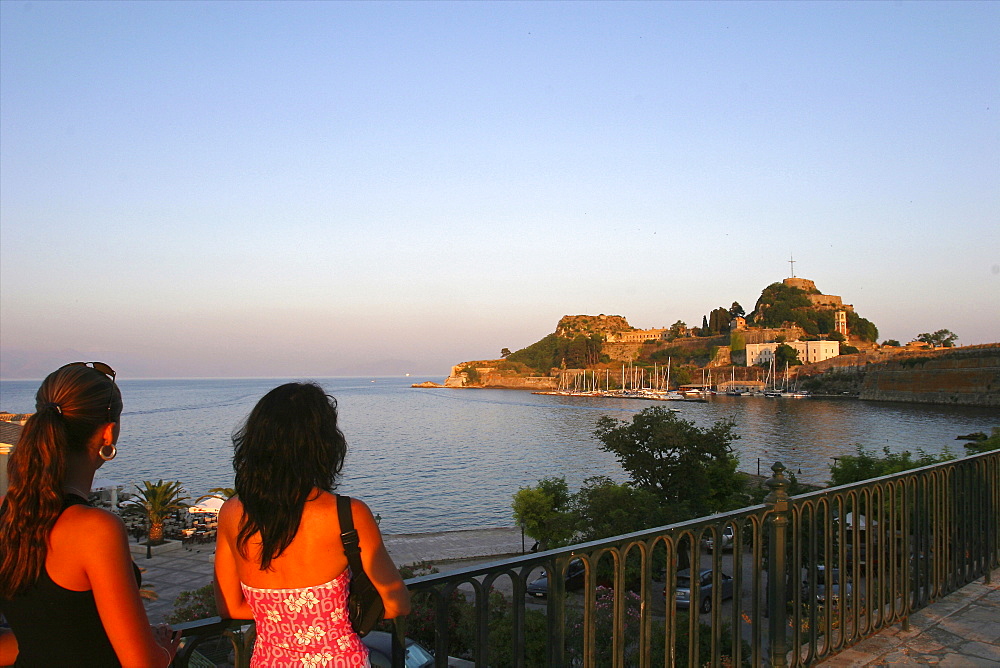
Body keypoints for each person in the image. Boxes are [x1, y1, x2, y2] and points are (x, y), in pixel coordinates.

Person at [214, 382, 410, 667]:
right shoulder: (348, 514)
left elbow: (230, 606)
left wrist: (285, 618)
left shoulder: (232, 512)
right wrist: (327, 612)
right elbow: (397, 603)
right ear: (325, 445)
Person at [0, 362, 181, 667]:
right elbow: (142, 663)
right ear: (108, 433)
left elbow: (43, 628)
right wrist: (163, 650)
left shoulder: (10, 511)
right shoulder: (95, 528)